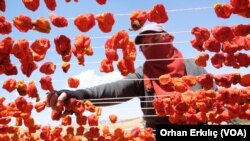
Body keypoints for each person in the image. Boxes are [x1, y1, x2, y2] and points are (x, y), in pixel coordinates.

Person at [46, 23, 214, 130]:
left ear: (168, 39)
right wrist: (77, 95)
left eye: (155, 40)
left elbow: (217, 98)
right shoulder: (143, 75)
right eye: (145, 45)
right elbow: (113, 90)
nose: (151, 47)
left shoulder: (195, 67)